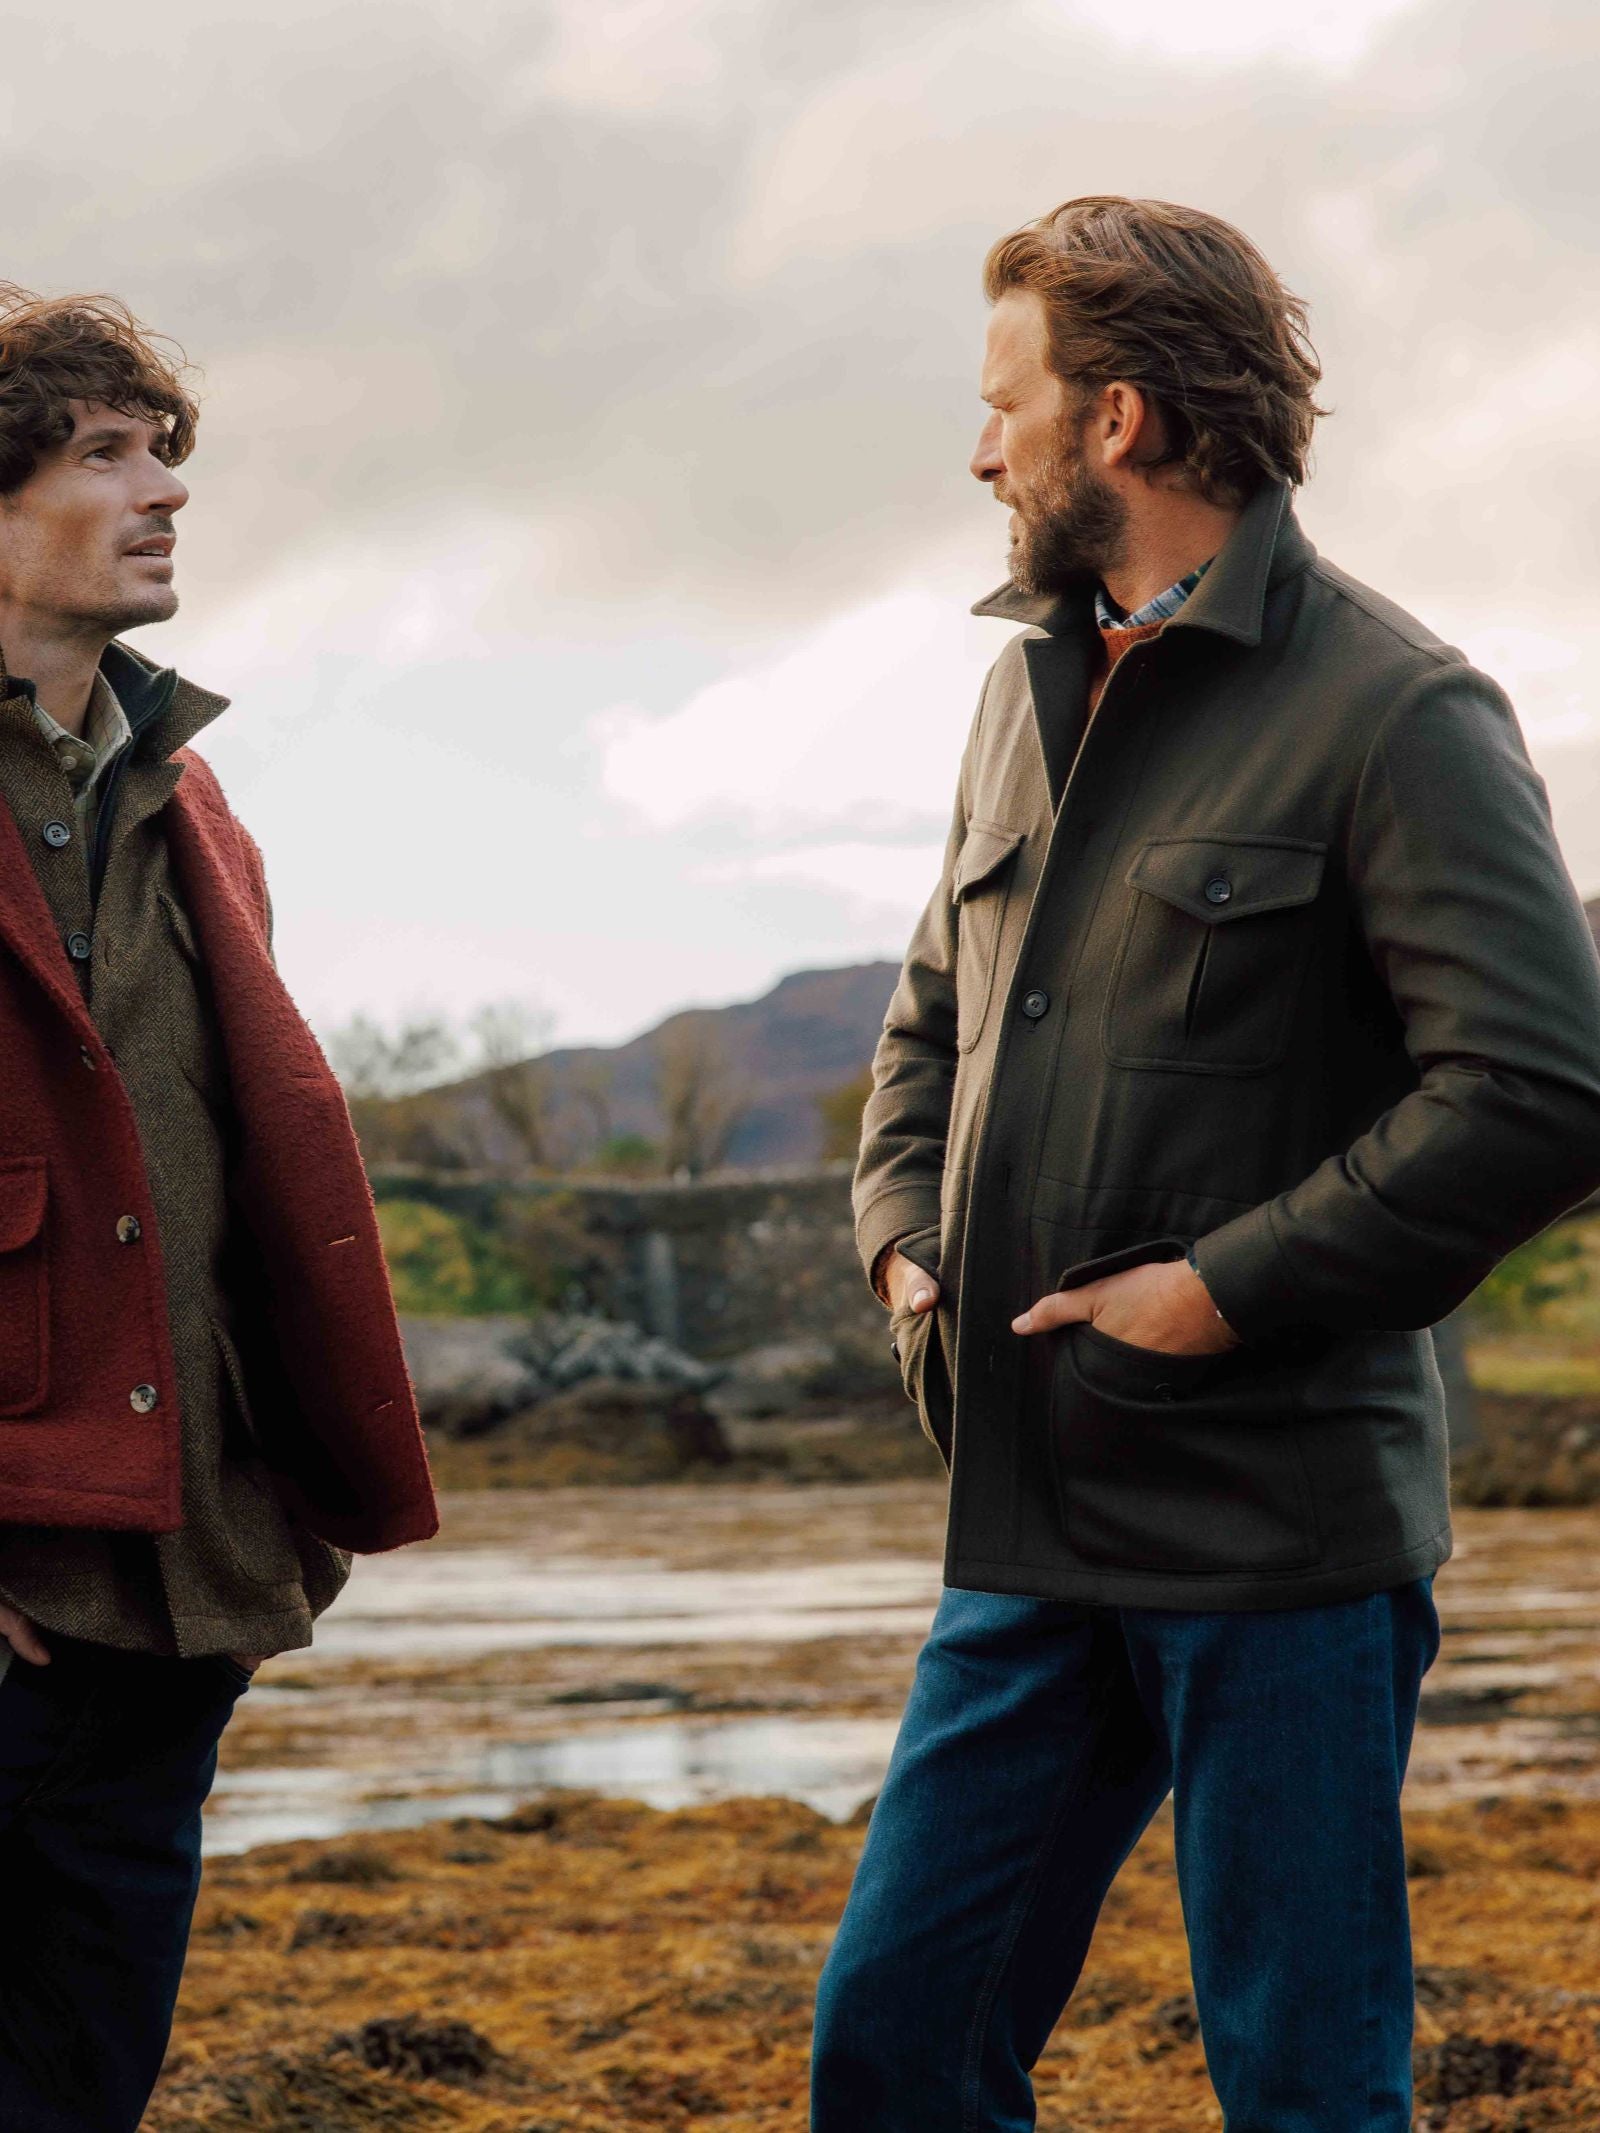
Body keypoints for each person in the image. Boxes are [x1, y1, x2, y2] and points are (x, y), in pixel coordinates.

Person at [811, 196, 1600, 2130]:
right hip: (1027, 1528)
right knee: (893, 2052)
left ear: (1121, 421)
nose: (977, 447)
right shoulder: (1026, 691)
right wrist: (906, 1236)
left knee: (1305, 2088)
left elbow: (1539, 1086)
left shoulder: (1398, 711)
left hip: (1281, 1543)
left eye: (1007, 404)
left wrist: (1211, 1290)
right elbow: (933, 1022)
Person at [0, 284, 438, 2133]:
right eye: (103, 451)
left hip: (172, 1584)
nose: (162, 486)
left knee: (83, 2081)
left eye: (163, 448)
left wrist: (280, 1510)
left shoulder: (193, 803)